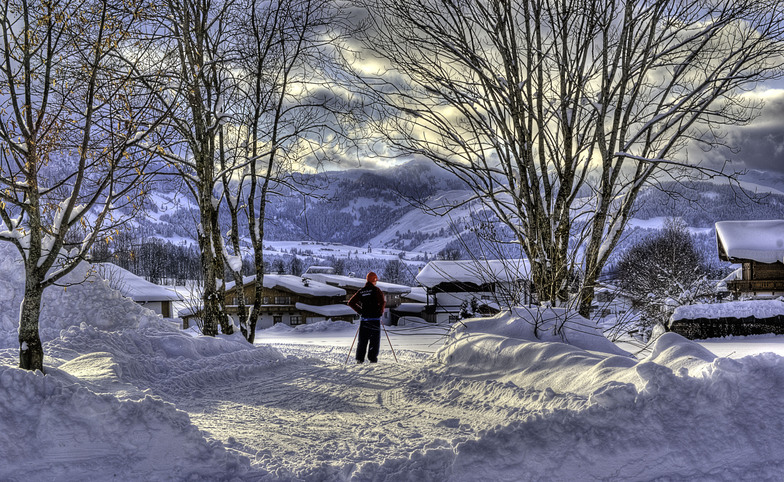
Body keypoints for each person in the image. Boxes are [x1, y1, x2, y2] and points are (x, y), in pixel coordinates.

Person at [348, 271, 386, 363]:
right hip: (375, 320)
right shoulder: (376, 290)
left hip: (364, 321)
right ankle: (372, 360)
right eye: (375, 280)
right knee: (374, 341)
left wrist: (361, 311)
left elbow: (351, 302)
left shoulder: (361, 291)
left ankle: (359, 360)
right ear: (374, 280)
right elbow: (382, 302)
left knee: (362, 341)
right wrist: (380, 312)